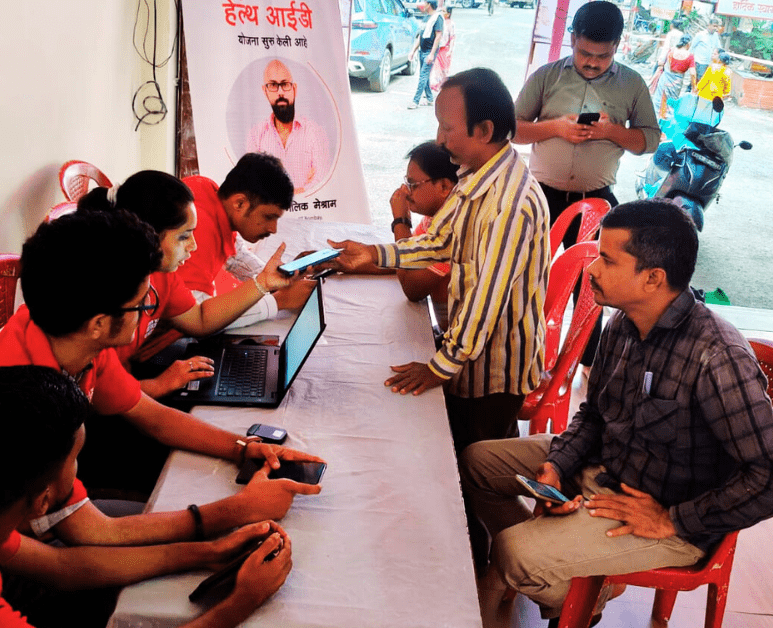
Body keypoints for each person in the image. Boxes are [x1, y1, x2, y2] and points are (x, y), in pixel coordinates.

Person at [0, 211, 323, 556]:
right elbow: (85, 536)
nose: (146, 314)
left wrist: (243, 448)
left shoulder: (63, 333)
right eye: (142, 303)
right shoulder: (25, 403)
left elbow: (148, 413)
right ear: (100, 324)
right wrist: (230, 513)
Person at [463, 199, 773, 627]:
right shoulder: (623, 323)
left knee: (513, 552)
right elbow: (595, 415)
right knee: (476, 462)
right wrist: (557, 465)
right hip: (609, 468)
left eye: (607, 260)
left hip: (664, 513)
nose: (593, 269)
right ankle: (567, 572)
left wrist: (672, 519)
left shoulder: (715, 356)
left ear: (652, 278)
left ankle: (573, 585)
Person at [0, 365, 293, 628]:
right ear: (42, 501)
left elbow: (63, 567)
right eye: (76, 457)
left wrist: (206, 552)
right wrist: (241, 602)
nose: (79, 469)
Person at [331, 68, 550, 452]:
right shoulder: (474, 176)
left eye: (447, 128)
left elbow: (485, 303)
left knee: (473, 465)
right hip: (468, 357)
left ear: (483, 131)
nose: (439, 139)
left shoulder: (510, 205)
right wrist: (373, 253)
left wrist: (438, 368)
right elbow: (439, 241)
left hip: (492, 375)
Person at [513, 0, 658, 373]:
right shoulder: (547, 77)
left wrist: (611, 132)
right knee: (527, 275)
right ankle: (522, 355)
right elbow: (511, 129)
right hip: (541, 197)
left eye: (603, 56)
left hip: (596, 202)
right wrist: (556, 128)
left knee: (592, 286)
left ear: (618, 45)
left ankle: (589, 364)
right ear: (572, 39)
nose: (592, 62)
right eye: (584, 53)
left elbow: (651, 142)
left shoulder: (632, 84)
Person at [76, 170, 311, 397]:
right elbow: (102, 393)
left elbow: (199, 318)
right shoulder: (109, 298)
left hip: (126, 387)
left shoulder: (162, 274)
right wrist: (157, 385)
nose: (194, 245)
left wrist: (263, 283)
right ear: (149, 235)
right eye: (183, 236)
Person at [178, 153, 315, 329]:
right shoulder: (198, 233)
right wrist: (279, 301)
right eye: (268, 217)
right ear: (240, 203)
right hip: (157, 347)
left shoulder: (205, 187)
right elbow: (198, 318)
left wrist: (276, 280)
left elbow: (235, 255)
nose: (273, 229)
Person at [337, 141, 457, 328]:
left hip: (456, 344)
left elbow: (411, 287)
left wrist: (401, 221)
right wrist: (347, 262)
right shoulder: (433, 217)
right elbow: (403, 259)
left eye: (413, 184)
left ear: (443, 187)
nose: (404, 191)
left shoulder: (452, 227)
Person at [245, 59, 330, 194]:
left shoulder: (314, 131)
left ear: (294, 89)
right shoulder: (256, 135)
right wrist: (301, 190)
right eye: (273, 85)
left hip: (311, 211)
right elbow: (253, 182)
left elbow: (323, 180)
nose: (280, 92)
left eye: (285, 84)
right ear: (265, 91)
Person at [407, 1, 444, 109]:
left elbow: (438, 36)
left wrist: (432, 54)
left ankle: (415, 101)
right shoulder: (426, 17)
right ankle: (429, 98)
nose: (423, 4)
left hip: (429, 51)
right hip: (422, 50)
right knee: (425, 76)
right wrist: (413, 51)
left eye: (425, 2)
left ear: (429, 4)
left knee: (423, 76)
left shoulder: (438, 18)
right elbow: (420, 36)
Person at [652, 35, 696, 120]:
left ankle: (656, 118)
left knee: (660, 98)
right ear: (688, 44)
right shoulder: (690, 56)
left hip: (665, 78)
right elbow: (692, 73)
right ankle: (667, 119)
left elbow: (661, 63)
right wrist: (694, 87)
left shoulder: (671, 51)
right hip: (677, 82)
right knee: (672, 100)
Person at [429, 7, 456, 94]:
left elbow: (452, 38)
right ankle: (436, 87)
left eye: (443, 11)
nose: (442, 13)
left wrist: (450, 50)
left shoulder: (451, 24)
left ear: (448, 14)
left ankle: (445, 87)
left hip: (445, 49)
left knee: (444, 70)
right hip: (437, 49)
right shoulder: (440, 22)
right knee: (436, 69)